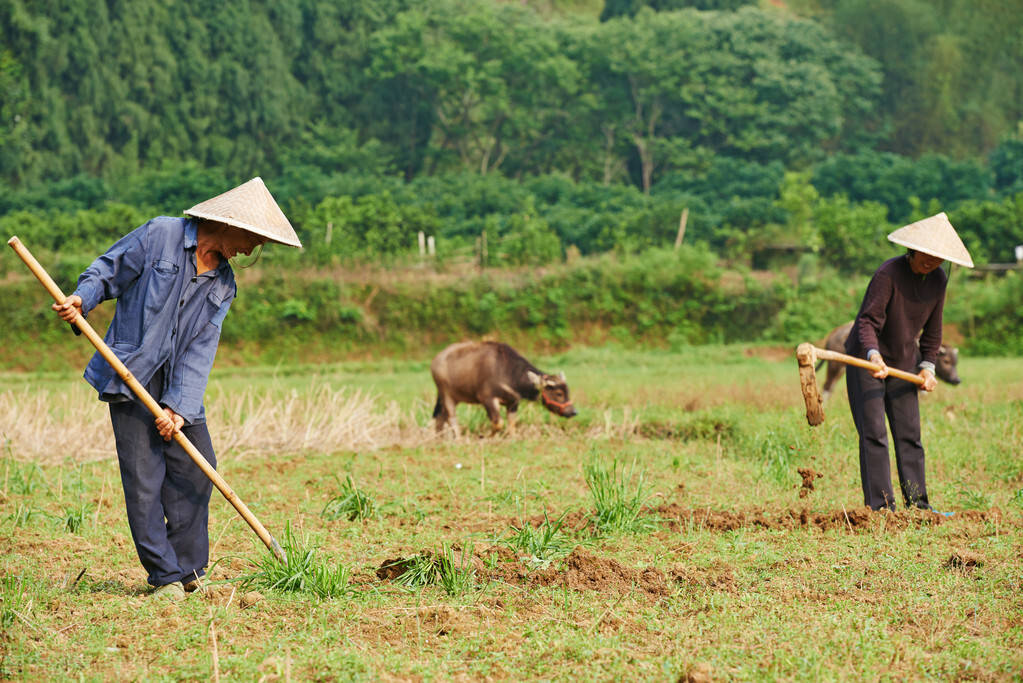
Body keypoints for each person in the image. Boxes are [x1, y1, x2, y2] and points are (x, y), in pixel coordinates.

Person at [52, 178, 302, 600]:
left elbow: (200, 350)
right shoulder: (160, 235)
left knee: (197, 467)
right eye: (251, 239)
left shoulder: (224, 284)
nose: (250, 250)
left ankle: (189, 571)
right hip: (130, 371)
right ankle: (165, 577)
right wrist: (82, 298)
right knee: (144, 478)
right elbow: (107, 271)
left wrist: (179, 411)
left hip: (179, 386)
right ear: (228, 225)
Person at [844, 212, 973, 513]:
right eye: (926, 254)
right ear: (912, 250)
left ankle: (918, 505)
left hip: (903, 361)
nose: (931, 261)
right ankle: (881, 508)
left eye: (938, 257)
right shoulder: (887, 274)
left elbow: (933, 330)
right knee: (874, 432)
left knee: (909, 434)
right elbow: (867, 323)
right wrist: (873, 356)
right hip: (867, 358)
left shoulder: (938, 279)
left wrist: (927, 366)